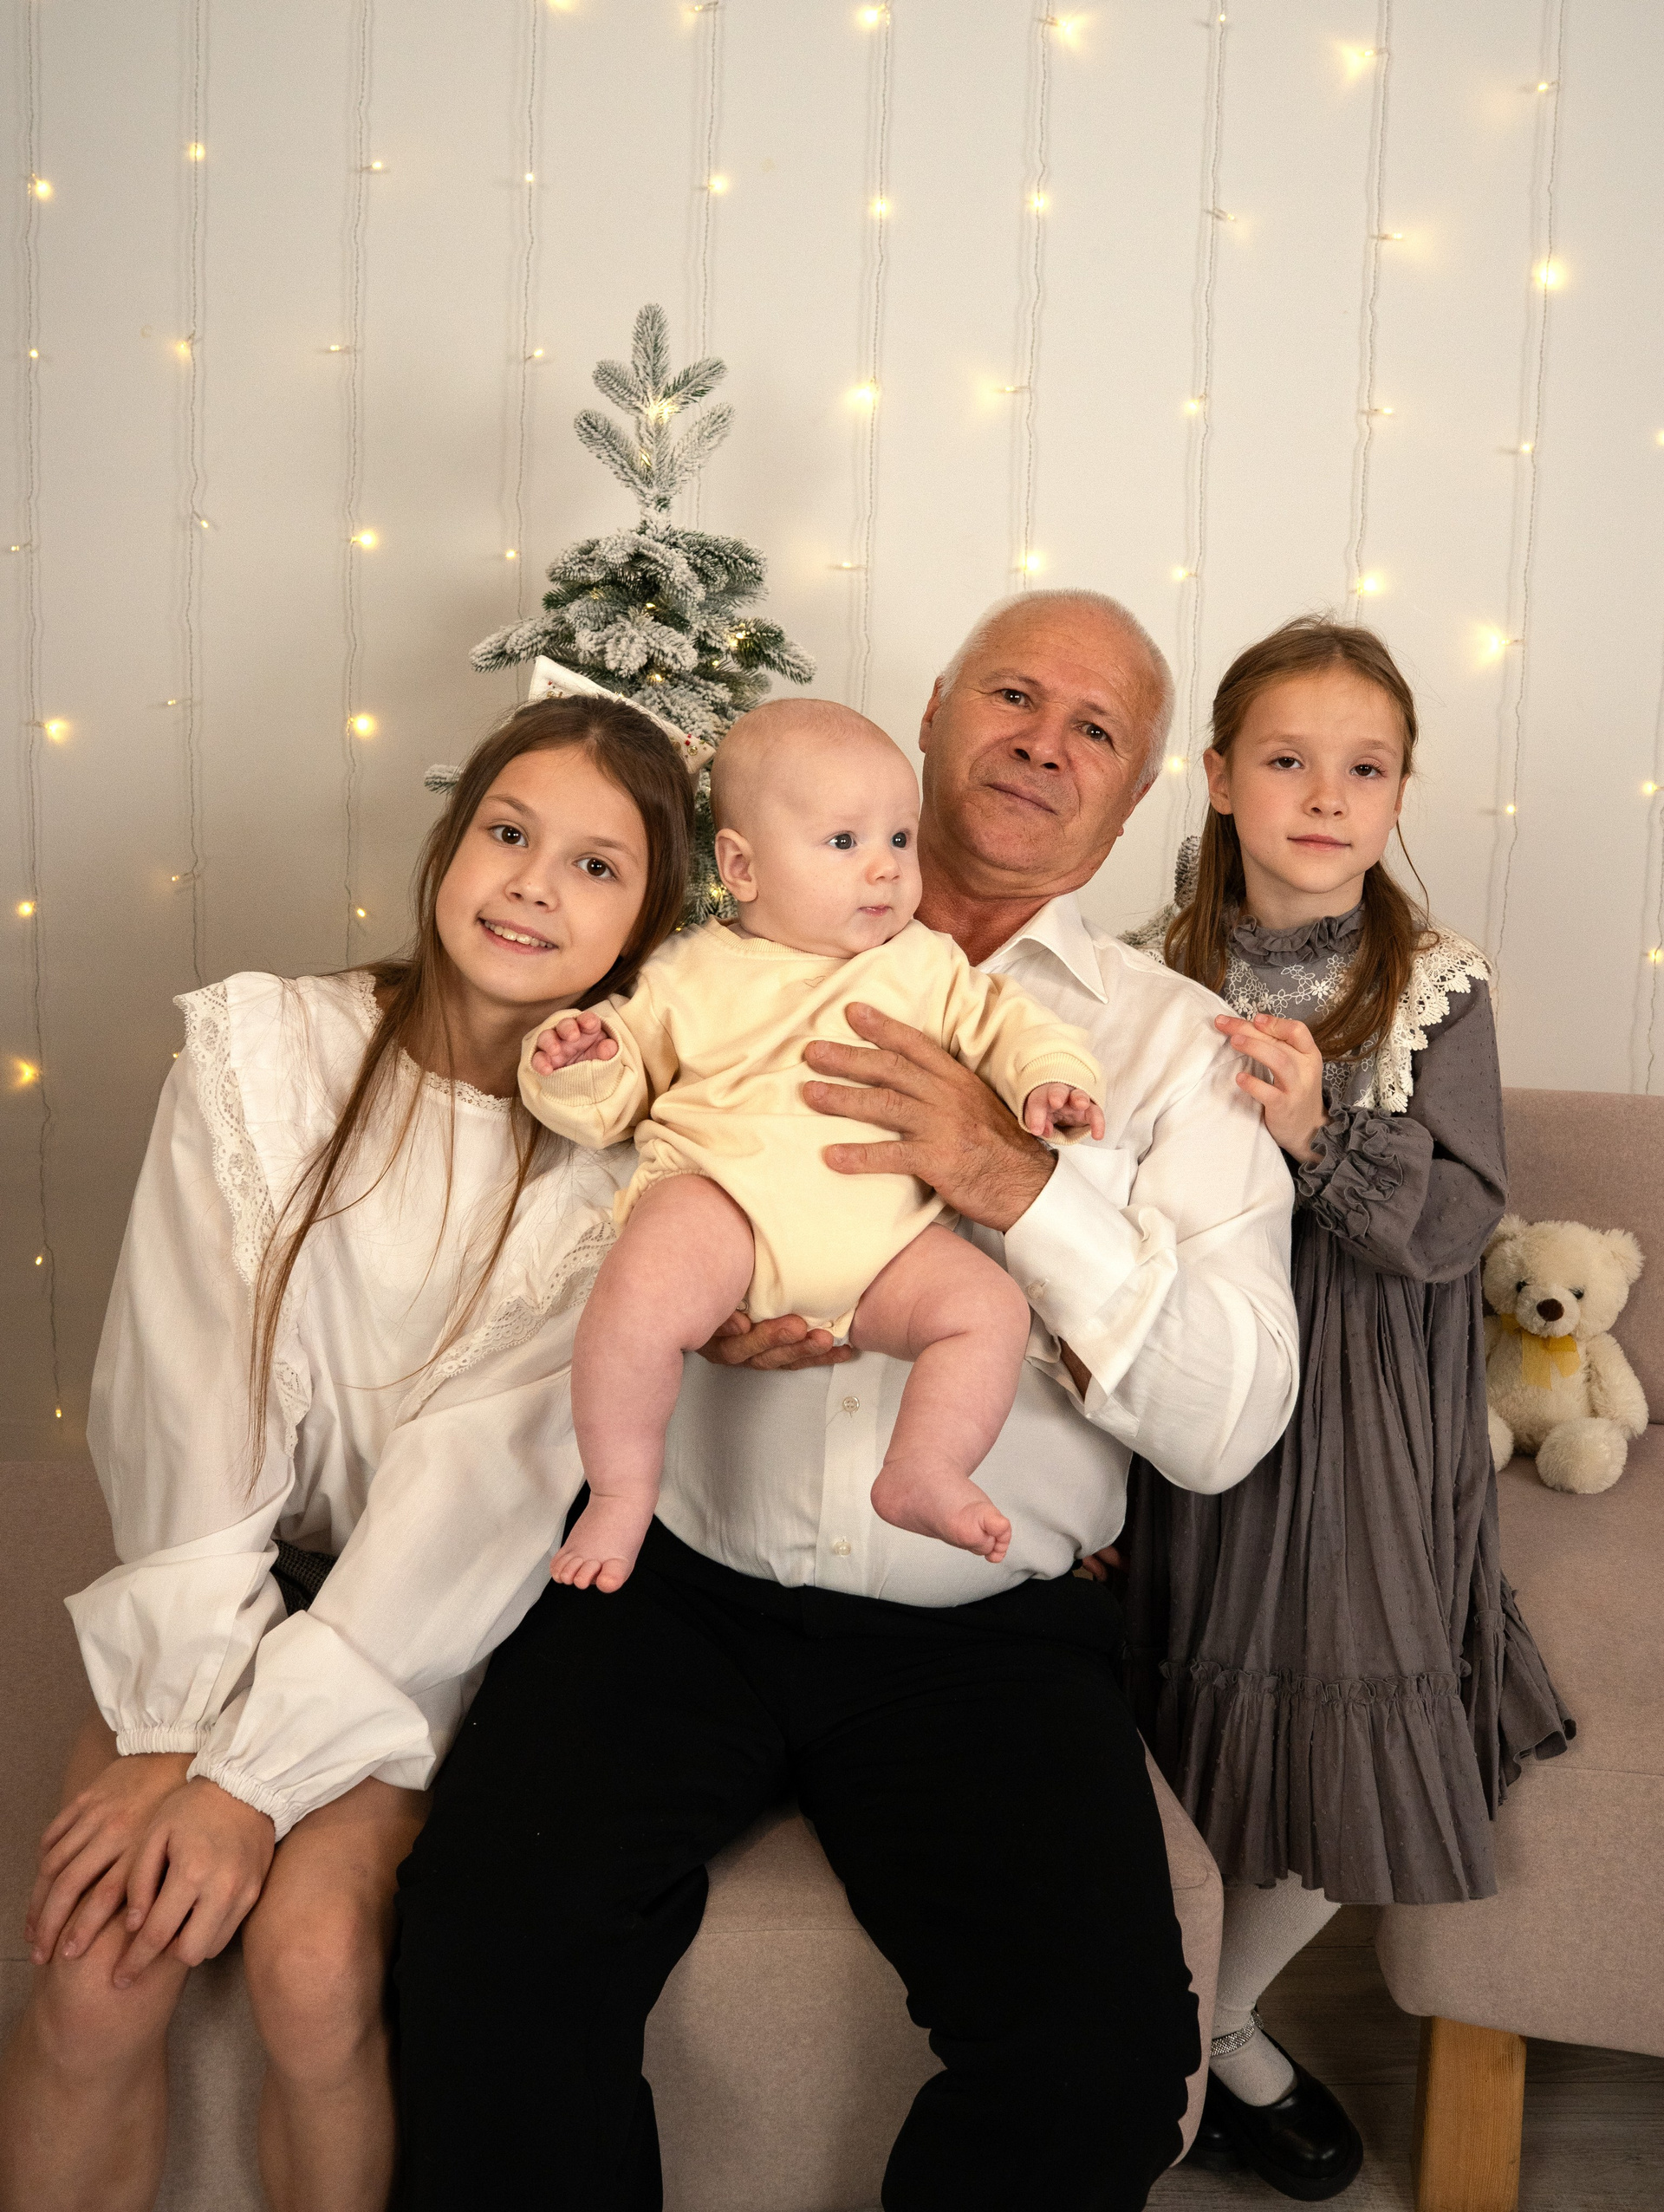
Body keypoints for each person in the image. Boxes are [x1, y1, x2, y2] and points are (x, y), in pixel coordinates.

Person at [393, 589, 1303, 2212]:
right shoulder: (699, 950)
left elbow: (1231, 1423)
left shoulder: (1171, 1048)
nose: (1044, 741)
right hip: (672, 1587)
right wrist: (685, 1285)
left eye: (1096, 729)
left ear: (1139, 795)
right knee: (487, 1954)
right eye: (1013, 695)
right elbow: (544, 1160)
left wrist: (1018, 1183)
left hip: (981, 1632)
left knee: (1099, 2065)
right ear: (935, 715)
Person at [0, 696, 694, 2212]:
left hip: (435, 1621)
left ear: (648, 926)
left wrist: (253, 1782)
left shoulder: (630, 1176)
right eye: (508, 832)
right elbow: (194, 1386)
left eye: (595, 867)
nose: (531, 885)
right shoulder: (269, 1054)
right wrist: (177, 1720)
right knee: (104, 1958)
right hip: (231, 1565)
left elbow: (475, 1496)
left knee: (315, 1961)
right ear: (450, 841)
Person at [1121, 617, 1574, 2202]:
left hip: (1361, 1401)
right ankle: (1159, 2019)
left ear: (1399, 794)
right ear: (1219, 777)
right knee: (1185, 1706)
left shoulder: (1434, 987)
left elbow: (1456, 1222)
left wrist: (1320, 1132)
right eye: (1289, 759)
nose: (1326, 795)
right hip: (1193, 1376)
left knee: (1353, 1710)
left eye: (1365, 768)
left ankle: (1215, 2021)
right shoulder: (1147, 970)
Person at [524, 700, 1105, 1588]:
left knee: (989, 1310)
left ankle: (925, 1467)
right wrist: (582, 1062)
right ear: (742, 867)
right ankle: (621, 1487)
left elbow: (1009, 1024)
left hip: (887, 1247)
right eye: (844, 841)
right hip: (727, 1208)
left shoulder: (923, 963)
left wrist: (1049, 1079)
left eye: (900, 838)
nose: (886, 866)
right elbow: (613, 1096)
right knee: (638, 1295)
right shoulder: (690, 971)